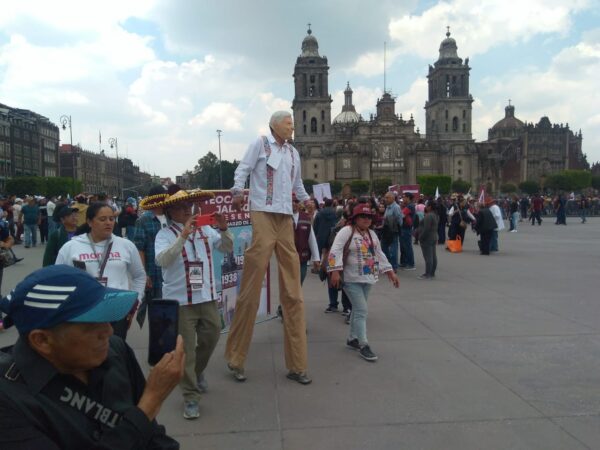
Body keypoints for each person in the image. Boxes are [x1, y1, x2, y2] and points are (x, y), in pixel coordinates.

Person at [0, 265, 183, 449]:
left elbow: (153, 435)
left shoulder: (116, 350)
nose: (109, 330)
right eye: (91, 325)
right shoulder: (9, 401)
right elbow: (145, 417)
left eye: (105, 317)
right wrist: (151, 401)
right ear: (42, 340)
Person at [225, 110, 312, 385]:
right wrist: (238, 192)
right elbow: (242, 170)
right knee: (250, 290)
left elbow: (297, 185)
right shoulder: (261, 144)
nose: (292, 127)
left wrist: (306, 200)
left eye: (293, 124)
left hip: (285, 218)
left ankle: (297, 365)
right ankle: (236, 359)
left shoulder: (293, 153)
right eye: (288, 124)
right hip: (262, 213)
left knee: (293, 293)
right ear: (275, 126)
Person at [154, 187, 232, 420]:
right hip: (180, 300)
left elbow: (226, 247)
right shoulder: (165, 234)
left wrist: (224, 228)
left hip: (206, 296)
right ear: (170, 212)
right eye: (180, 207)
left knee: (213, 335)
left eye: (189, 206)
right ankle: (190, 396)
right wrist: (183, 236)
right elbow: (162, 260)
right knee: (185, 349)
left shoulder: (205, 228)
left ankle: (195, 372)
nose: (187, 210)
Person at [55, 202, 146, 339]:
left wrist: (135, 302)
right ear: (89, 222)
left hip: (117, 311)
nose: (109, 223)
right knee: (88, 356)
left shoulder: (126, 245)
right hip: (84, 312)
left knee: (115, 354)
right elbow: (57, 280)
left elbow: (139, 276)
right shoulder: (71, 247)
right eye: (102, 219)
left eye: (111, 219)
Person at [328, 203, 399, 362]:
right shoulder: (346, 231)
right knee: (361, 310)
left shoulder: (372, 234)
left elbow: (379, 253)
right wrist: (334, 271)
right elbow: (335, 250)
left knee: (358, 310)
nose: (366, 219)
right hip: (351, 278)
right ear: (355, 218)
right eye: (363, 216)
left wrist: (390, 271)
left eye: (369, 217)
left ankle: (352, 338)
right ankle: (363, 344)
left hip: (368, 277)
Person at [133, 185, 169, 326]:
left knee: (170, 310)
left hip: (171, 272)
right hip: (154, 272)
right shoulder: (144, 220)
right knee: (157, 314)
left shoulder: (171, 217)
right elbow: (139, 249)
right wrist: (144, 274)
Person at [417, 199, 439, 279]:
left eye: (426, 205)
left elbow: (426, 229)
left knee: (428, 257)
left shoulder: (429, 216)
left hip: (427, 238)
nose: (425, 207)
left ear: (429, 207)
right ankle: (432, 273)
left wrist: (420, 237)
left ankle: (427, 274)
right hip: (433, 236)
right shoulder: (435, 215)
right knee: (433, 256)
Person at [382, 191, 402, 272]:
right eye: (385, 197)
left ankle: (394, 267)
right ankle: (388, 265)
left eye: (387, 197)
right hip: (386, 230)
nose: (385, 199)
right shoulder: (387, 206)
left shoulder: (396, 207)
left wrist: (396, 228)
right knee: (384, 248)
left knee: (393, 250)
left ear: (393, 198)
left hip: (393, 230)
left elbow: (400, 220)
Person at [399, 193, 416, 270]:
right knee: (404, 246)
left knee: (407, 246)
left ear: (408, 198)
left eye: (404, 197)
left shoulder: (410, 206)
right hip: (405, 227)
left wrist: (401, 208)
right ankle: (404, 262)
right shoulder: (409, 205)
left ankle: (410, 264)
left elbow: (402, 214)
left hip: (406, 228)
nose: (403, 199)